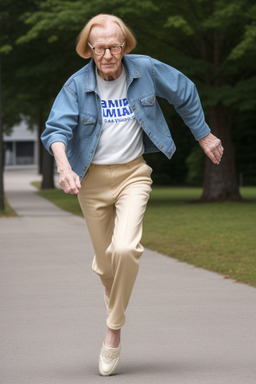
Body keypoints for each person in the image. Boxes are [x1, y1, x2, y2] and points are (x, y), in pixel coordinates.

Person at [41, 13, 224, 376]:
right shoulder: (77, 85)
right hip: (90, 182)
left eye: (115, 46)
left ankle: (113, 331)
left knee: (126, 248)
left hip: (132, 174)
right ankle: (108, 278)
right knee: (107, 264)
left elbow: (184, 91)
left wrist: (203, 134)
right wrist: (64, 167)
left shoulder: (146, 70)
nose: (108, 54)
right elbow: (55, 130)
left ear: (124, 45)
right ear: (88, 49)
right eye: (100, 48)